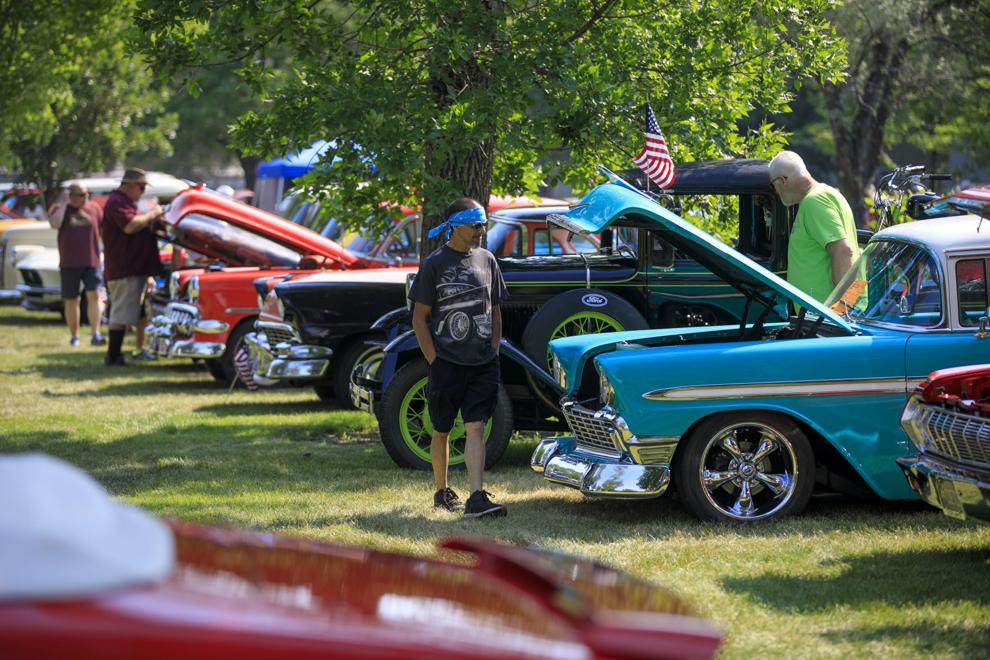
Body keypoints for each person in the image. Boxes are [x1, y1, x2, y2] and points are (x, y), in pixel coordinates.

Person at [408, 197, 508, 519]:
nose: (481, 230)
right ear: (455, 226)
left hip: (482, 362)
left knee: (476, 427)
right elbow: (419, 317)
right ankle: (442, 490)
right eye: (474, 225)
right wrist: (434, 359)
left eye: (482, 224)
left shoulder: (488, 260)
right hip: (447, 362)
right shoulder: (434, 264)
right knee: (442, 428)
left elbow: (494, 310)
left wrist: (494, 348)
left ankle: (476, 496)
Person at [769, 151, 860, 302]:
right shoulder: (826, 194)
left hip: (828, 317)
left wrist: (842, 308)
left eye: (773, 186)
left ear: (783, 180)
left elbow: (843, 251)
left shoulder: (815, 201)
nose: (776, 192)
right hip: (824, 316)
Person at [100, 168, 165, 366]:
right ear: (129, 185)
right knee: (120, 313)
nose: (143, 191)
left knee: (130, 312)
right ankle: (113, 356)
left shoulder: (124, 202)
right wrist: (153, 213)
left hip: (130, 267)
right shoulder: (117, 202)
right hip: (124, 268)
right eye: (141, 187)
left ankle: (119, 353)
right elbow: (130, 226)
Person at [49, 183, 104, 347]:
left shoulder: (95, 208)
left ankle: (96, 333)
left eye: (87, 194)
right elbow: (55, 224)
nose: (85, 198)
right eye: (81, 195)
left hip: (91, 260)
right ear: (70, 195)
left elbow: (102, 229)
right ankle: (75, 336)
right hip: (69, 262)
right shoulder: (60, 208)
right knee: (72, 300)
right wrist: (64, 204)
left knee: (94, 295)